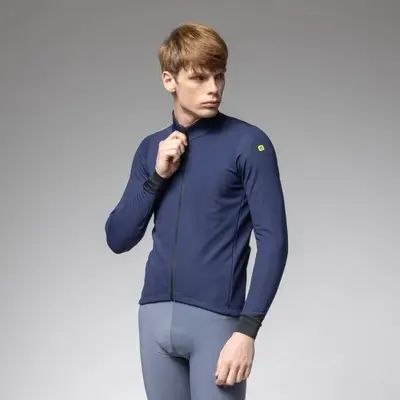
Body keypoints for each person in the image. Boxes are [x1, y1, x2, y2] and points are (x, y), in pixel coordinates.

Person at [105, 22, 288, 400]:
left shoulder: (248, 144)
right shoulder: (152, 148)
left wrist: (247, 330)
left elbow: (274, 242)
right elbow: (118, 238)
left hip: (217, 322)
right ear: (169, 80)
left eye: (219, 76)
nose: (213, 88)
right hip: (154, 318)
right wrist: (157, 177)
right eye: (200, 77)